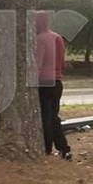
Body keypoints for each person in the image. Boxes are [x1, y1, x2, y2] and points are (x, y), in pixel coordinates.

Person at [36, 11, 72, 160]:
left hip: (44, 82)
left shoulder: (40, 39)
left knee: (46, 117)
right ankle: (63, 147)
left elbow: (38, 63)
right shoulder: (57, 37)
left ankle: (47, 147)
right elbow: (62, 60)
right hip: (57, 81)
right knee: (53, 116)